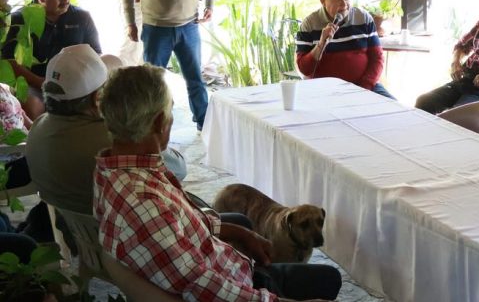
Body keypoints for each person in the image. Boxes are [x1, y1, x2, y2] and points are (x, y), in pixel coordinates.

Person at [95, 65, 342, 301]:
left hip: (227, 266)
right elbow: (201, 286)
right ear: (160, 122)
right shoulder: (144, 203)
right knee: (330, 279)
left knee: (244, 224)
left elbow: (181, 224)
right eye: (171, 111)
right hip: (238, 285)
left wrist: (241, 233)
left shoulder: (114, 169)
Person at [26, 44, 187, 217]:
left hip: (68, 234)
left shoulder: (37, 128)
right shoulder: (115, 140)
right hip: (121, 236)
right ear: (98, 98)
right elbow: (178, 169)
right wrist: (155, 132)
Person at [121, 0, 213, 131]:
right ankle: (153, 127)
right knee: (153, 84)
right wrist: (130, 22)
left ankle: (204, 122)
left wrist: (209, 6)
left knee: (195, 79)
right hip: (155, 29)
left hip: (189, 27)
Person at [1, 0, 101, 120]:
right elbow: (8, 60)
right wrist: (40, 82)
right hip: (34, 83)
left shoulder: (82, 17)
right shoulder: (19, 19)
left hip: (76, 83)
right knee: (33, 107)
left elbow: (96, 54)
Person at [296, 0, 394, 99]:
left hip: (364, 87)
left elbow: (377, 59)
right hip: (326, 92)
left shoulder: (363, 18)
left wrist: (364, 88)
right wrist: (321, 44)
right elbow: (304, 69)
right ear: (323, 1)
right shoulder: (309, 25)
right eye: (338, 0)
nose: (344, 4)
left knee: (398, 110)